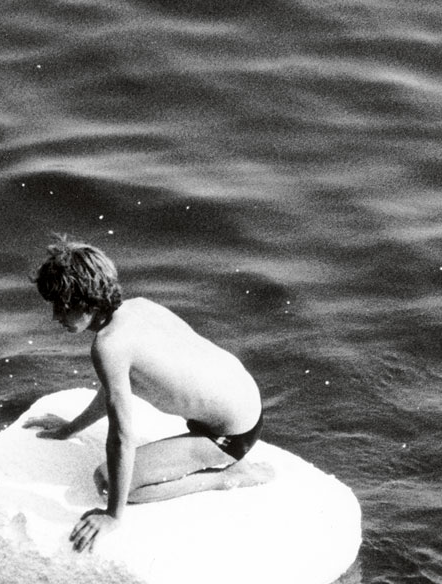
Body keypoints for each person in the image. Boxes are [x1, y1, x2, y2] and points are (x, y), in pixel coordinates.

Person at [24, 237, 269, 552]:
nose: (55, 316)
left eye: (63, 306)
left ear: (88, 302)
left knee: (108, 482)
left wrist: (112, 515)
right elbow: (114, 390)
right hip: (247, 400)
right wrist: (69, 429)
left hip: (231, 436)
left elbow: (122, 436)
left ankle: (229, 476)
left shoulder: (108, 346)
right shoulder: (141, 307)